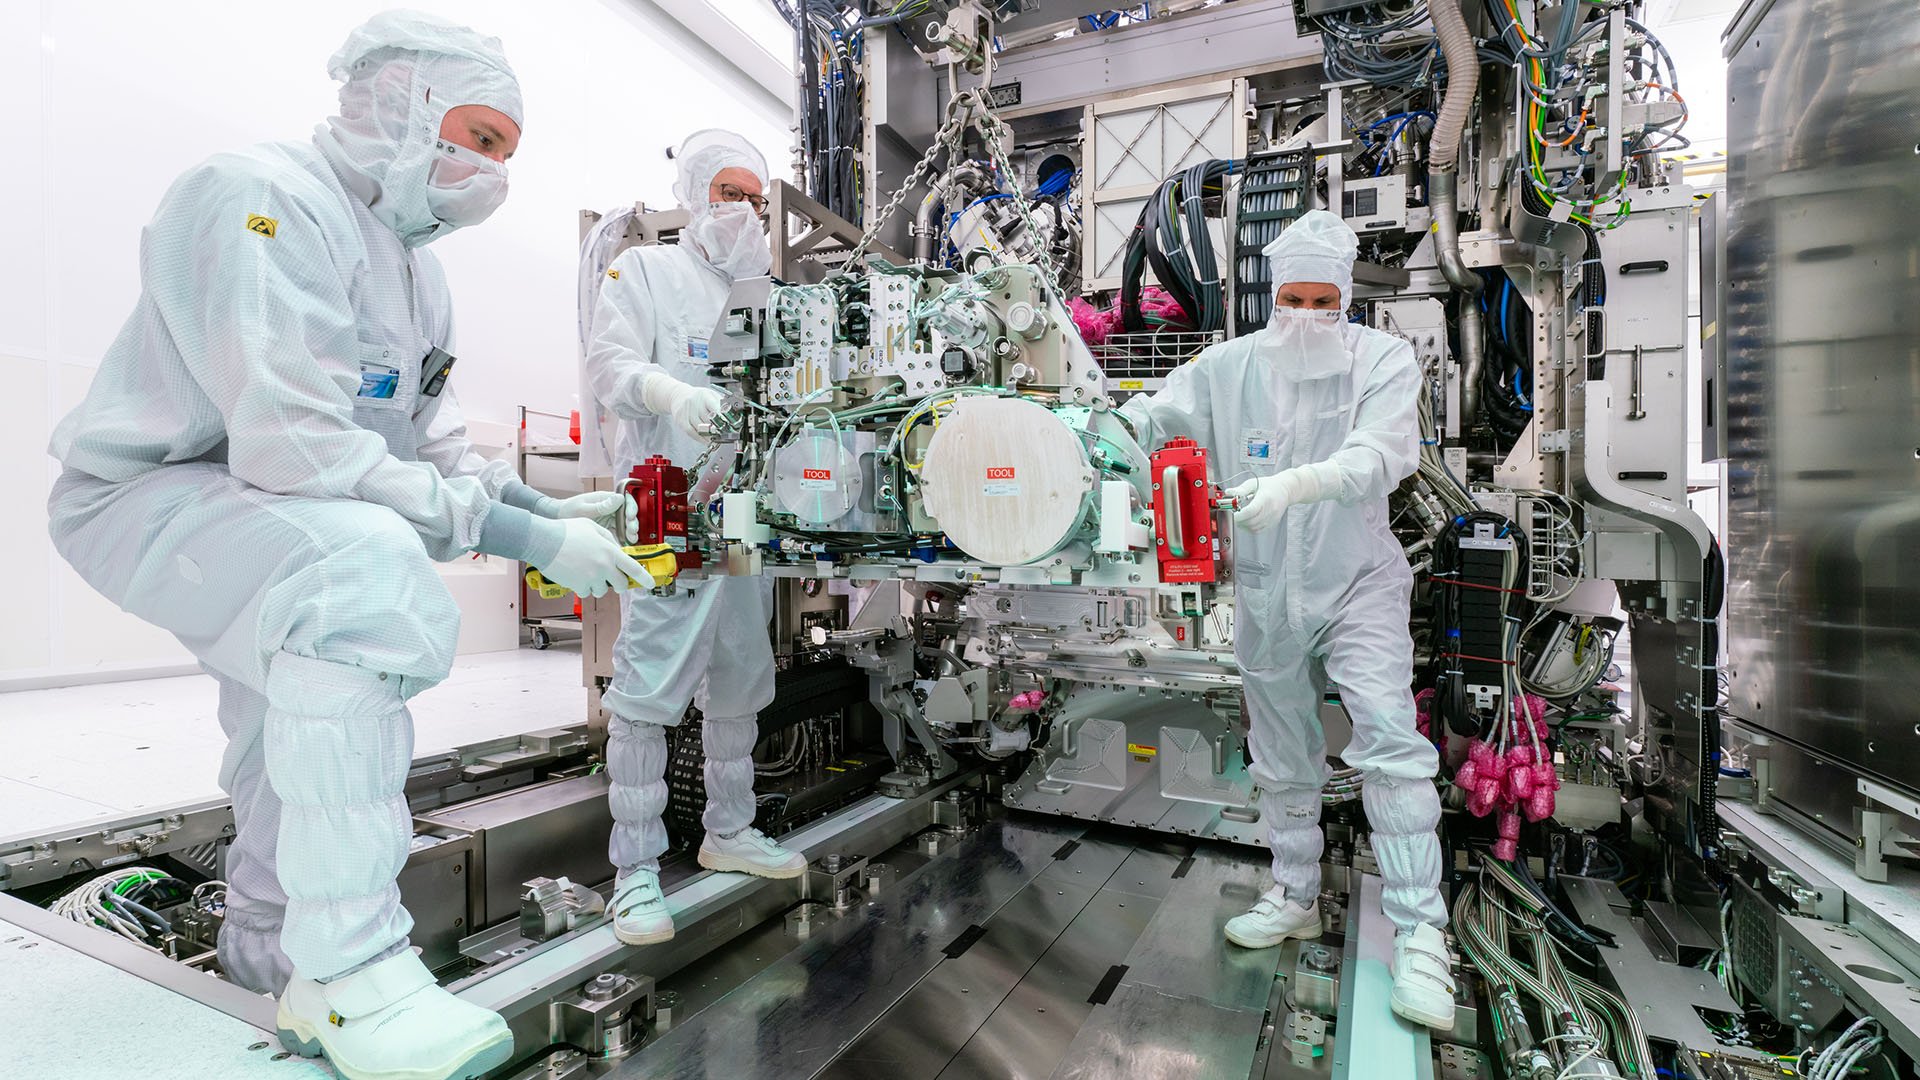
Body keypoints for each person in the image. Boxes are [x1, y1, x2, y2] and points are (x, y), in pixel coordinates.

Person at [45, 12, 646, 1079]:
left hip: (261, 507)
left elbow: (428, 445)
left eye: (509, 151)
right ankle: (353, 972)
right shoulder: (258, 197)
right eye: (480, 136)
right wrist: (518, 530)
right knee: (364, 574)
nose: (493, 171)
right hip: (152, 494)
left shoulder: (420, 270)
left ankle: (269, 968)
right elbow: (298, 447)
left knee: (293, 724)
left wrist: (546, 512)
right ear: (404, 102)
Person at [1117, 210, 1455, 1031]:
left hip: (1357, 581)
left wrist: (1293, 486)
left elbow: (1383, 455)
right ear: (1272, 295)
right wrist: (1099, 433)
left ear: (1346, 298)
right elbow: (1153, 418)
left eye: (1323, 300)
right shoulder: (1228, 367)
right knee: (1280, 750)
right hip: (1266, 586)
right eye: (1293, 299)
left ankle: (1421, 938)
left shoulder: (1381, 358)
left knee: (1387, 741)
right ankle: (1294, 893)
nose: (1307, 315)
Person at [582, 129, 806, 948]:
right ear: (697, 194)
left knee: (741, 678)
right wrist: (674, 396)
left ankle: (730, 830)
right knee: (647, 689)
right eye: (730, 195)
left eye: (756, 199)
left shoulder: (761, 291)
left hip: (743, 512)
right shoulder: (646, 271)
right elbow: (609, 367)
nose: (745, 211)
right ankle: (635, 872)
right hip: (667, 505)